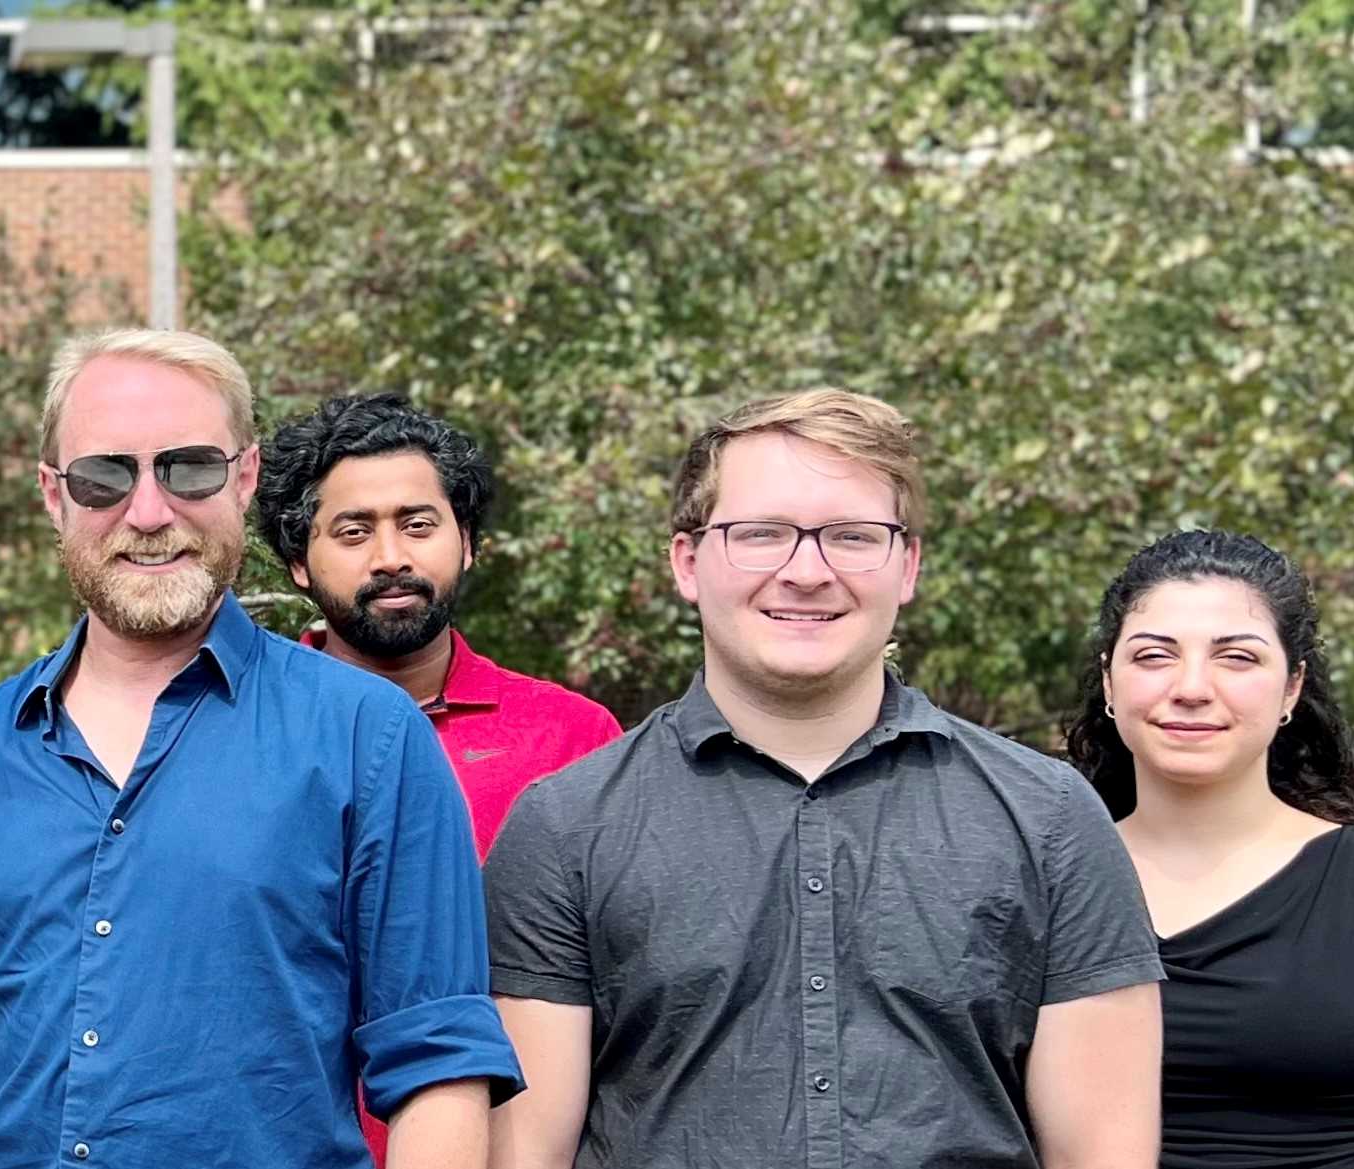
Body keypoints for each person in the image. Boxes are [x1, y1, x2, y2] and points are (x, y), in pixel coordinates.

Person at [0, 330, 522, 1169]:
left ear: (245, 477)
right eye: (104, 475)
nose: (148, 512)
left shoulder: (367, 736)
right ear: (53, 495)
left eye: (188, 468)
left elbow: (438, 1065)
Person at [482, 389, 1165, 1169]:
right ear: (685, 562)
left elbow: (1102, 1153)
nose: (805, 571)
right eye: (760, 534)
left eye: (850, 536)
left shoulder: (1048, 818)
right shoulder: (565, 827)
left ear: (906, 565)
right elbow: (523, 1153)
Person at [1064, 530, 1354, 1169]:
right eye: (1154, 656)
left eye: (1237, 658)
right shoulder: (1038, 875)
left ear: (1292, 688)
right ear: (1109, 682)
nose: (1191, 687)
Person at [256, 393, 622, 854]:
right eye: (354, 533)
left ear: (466, 542)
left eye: (417, 526)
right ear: (298, 561)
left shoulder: (572, 737)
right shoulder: (247, 731)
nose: (390, 560)